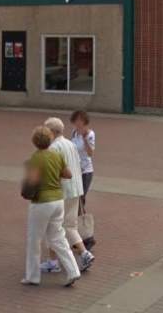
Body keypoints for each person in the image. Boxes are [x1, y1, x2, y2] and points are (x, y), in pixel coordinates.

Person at [21, 126, 81, 287]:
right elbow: (68, 174)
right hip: (58, 201)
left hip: (42, 202)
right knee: (58, 237)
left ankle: (32, 276)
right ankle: (73, 270)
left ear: (35, 142)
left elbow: (32, 182)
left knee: (35, 239)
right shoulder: (56, 155)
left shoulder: (36, 158)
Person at [40, 117, 94, 274]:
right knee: (70, 225)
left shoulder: (53, 148)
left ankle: (53, 262)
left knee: (53, 226)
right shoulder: (70, 144)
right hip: (75, 189)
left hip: (61, 192)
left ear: (51, 132)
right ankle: (84, 253)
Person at [70, 110, 96, 249]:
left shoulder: (90, 134)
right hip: (75, 171)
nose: (76, 124)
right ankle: (80, 235)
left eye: (78, 121)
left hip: (85, 172)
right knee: (76, 203)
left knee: (80, 201)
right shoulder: (74, 133)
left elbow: (91, 153)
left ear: (84, 121)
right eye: (75, 121)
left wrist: (85, 138)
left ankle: (88, 237)